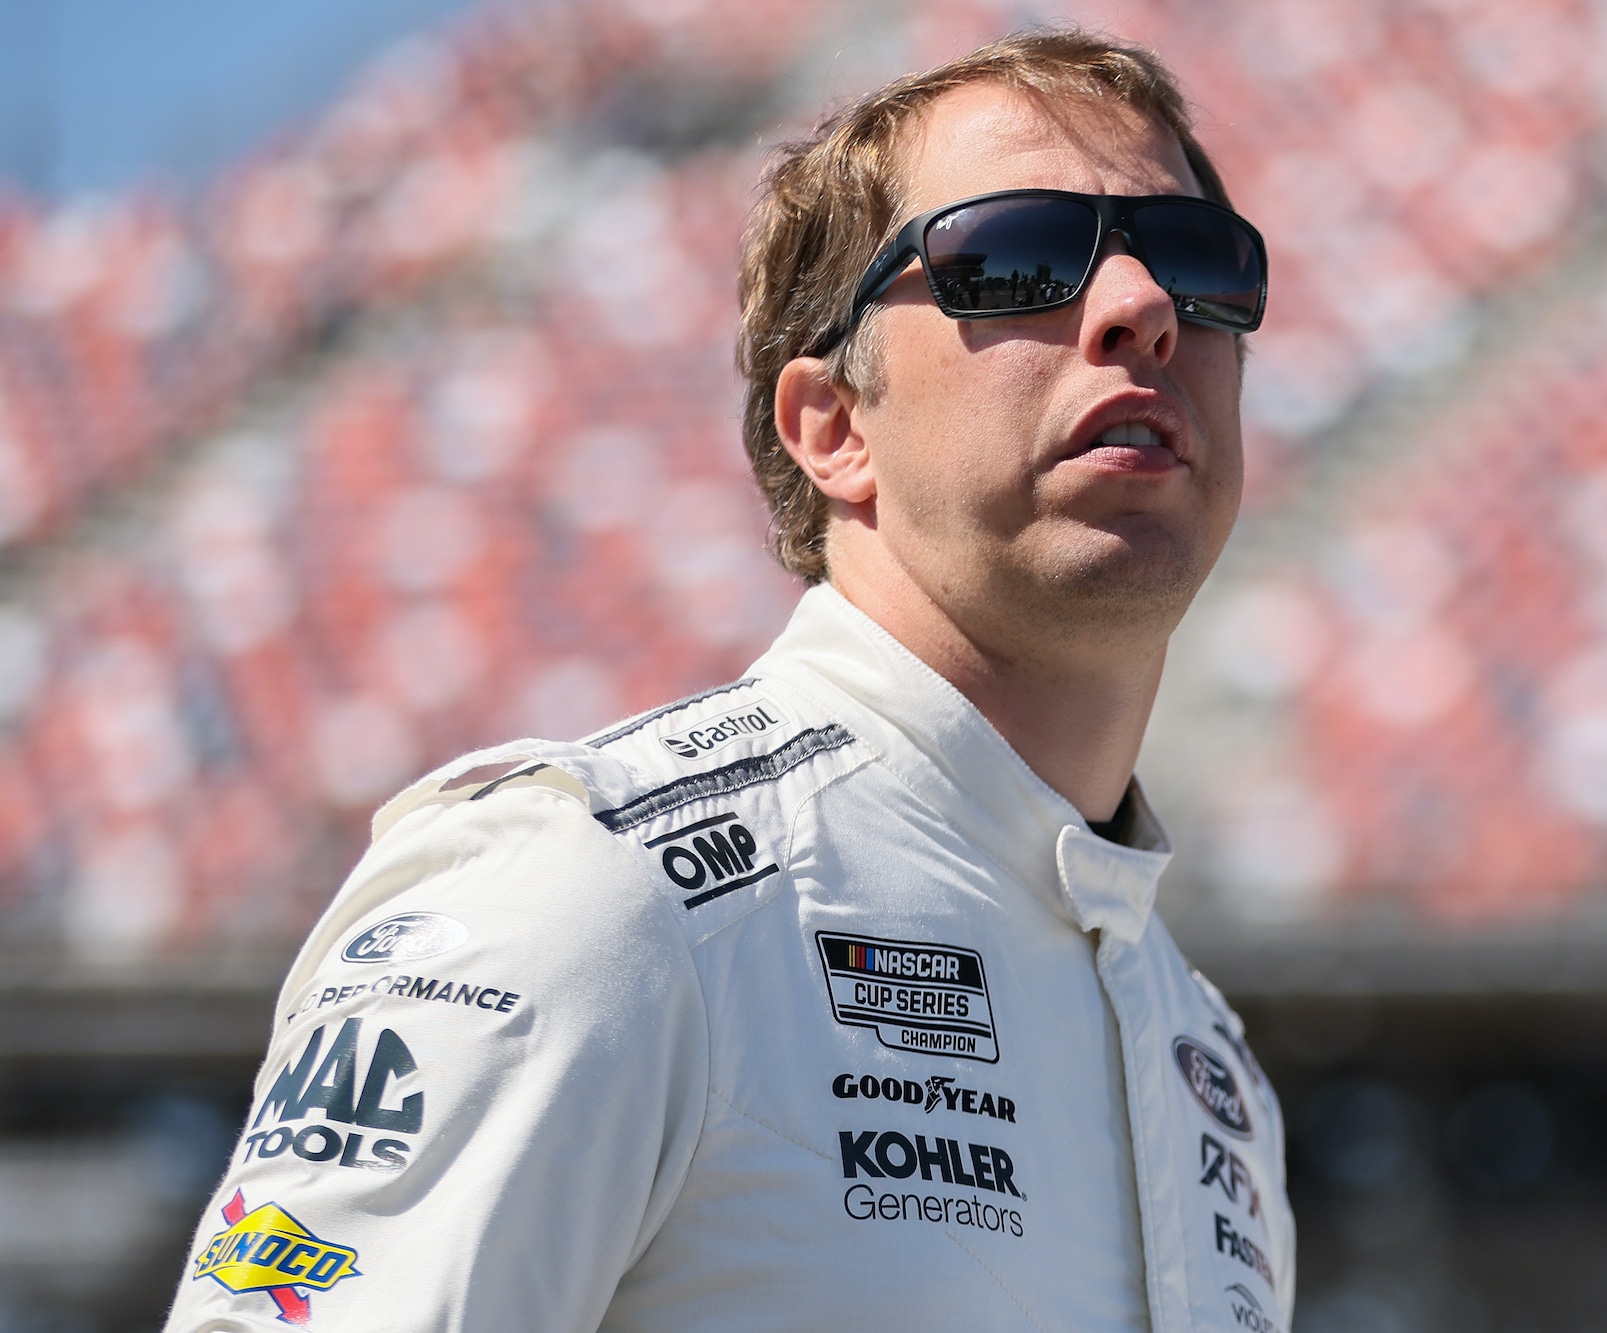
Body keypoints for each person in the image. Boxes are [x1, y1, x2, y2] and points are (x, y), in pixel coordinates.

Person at [166, 26, 1293, 1333]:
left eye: (1202, 264)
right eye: (1018, 258)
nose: (1142, 307)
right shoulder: (594, 890)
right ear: (834, 426)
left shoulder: (1209, 1062)